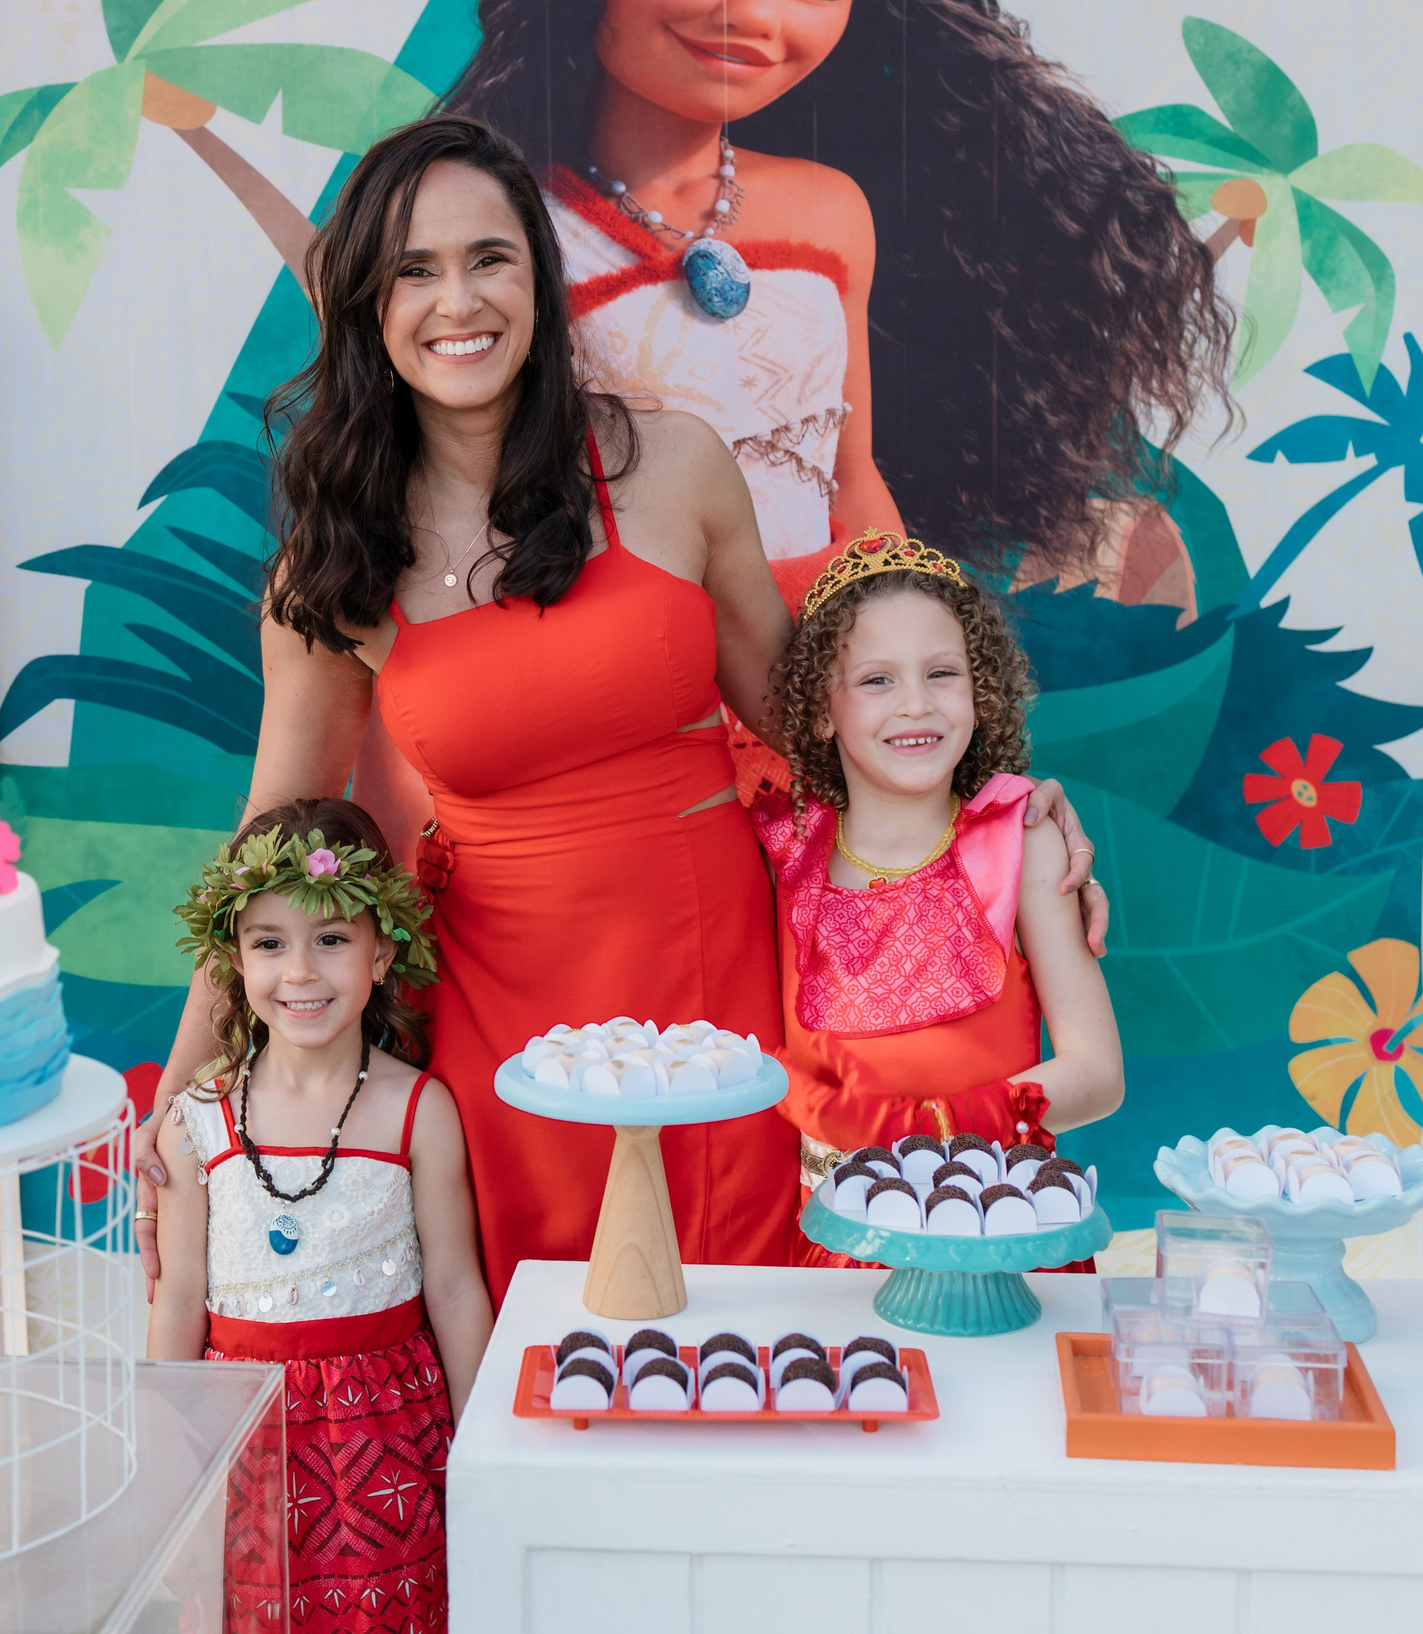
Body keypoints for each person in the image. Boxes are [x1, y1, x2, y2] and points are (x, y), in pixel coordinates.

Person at [131, 114, 1106, 1304]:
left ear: (537, 280)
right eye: (413, 271)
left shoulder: (674, 468)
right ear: (365, 308)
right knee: (548, 1336)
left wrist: (1000, 824)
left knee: (747, 1324)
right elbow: (276, 839)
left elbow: (817, 730)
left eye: (488, 258)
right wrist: (192, 1089)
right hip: (503, 1022)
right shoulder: (336, 567)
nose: (457, 301)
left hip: (723, 995)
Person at [444, 0, 1232, 599]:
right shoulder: (506, 232)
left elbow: (849, 479)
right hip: (629, 675)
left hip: (824, 654)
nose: (754, 14)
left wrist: (915, 647)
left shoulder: (828, 211)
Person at [149, 798, 488, 1634]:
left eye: (331, 939)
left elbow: (451, 1284)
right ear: (233, 956)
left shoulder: (417, 1109)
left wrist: (484, 1447)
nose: (299, 972)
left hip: (390, 1440)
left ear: (382, 953)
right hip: (245, 1434)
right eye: (270, 943)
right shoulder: (200, 1118)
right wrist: (167, 1439)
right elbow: (179, 1296)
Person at [755, 530, 1122, 1260]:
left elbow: (1097, 1073)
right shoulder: (779, 854)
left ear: (979, 693)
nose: (915, 705)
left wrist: (942, 1124)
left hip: (1000, 1230)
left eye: (942, 672)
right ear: (823, 709)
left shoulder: (1023, 839)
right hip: (837, 1247)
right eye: (876, 680)